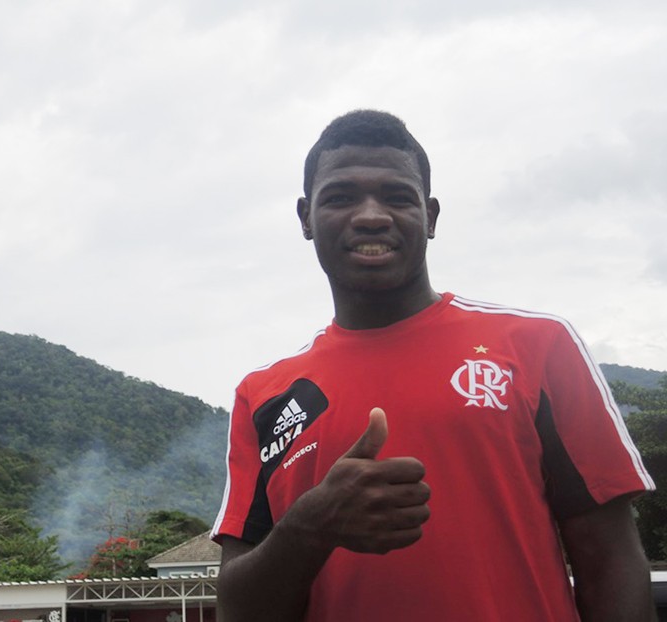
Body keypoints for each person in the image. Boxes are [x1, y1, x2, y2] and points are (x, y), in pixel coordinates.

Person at [210, 109, 657, 621]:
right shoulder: (266, 395)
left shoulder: (537, 346)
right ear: (306, 218)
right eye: (341, 197)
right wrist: (310, 524)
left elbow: (612, 560)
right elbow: (238, 608)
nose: (372, 215)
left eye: (398, 196)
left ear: (432, 216)